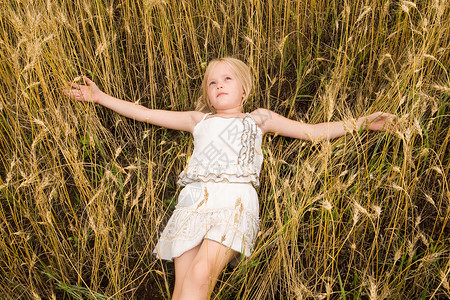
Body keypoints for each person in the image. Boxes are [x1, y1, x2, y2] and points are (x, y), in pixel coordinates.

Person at [63, 57, 395, 299]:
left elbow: (312, 132)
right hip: (192, 203)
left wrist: (363, 122)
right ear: (208, 95)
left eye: (227, 79)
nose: (219, 85)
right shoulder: (199, 120)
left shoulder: (258, 119)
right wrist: (101, 97)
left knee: (200, 274)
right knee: (183, 288)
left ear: (244, 90)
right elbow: (148, 113)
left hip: (234, 202)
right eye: (212, 83)